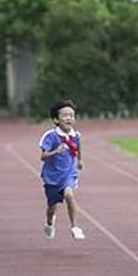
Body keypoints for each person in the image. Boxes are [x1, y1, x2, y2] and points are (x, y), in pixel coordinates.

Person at [39, 99, 85, 240]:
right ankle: (49, 222)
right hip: (52, 177)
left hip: (69, 174)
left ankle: (75, 227)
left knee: (69, 195)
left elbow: (78, 147)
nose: (69, 118)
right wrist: (55, 151)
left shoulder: (76, 136)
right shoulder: (51, 136)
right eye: (65, 115)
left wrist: (80, 160)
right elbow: (43, 156)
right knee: (52, 208)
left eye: (71, 115)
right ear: (56, 119)